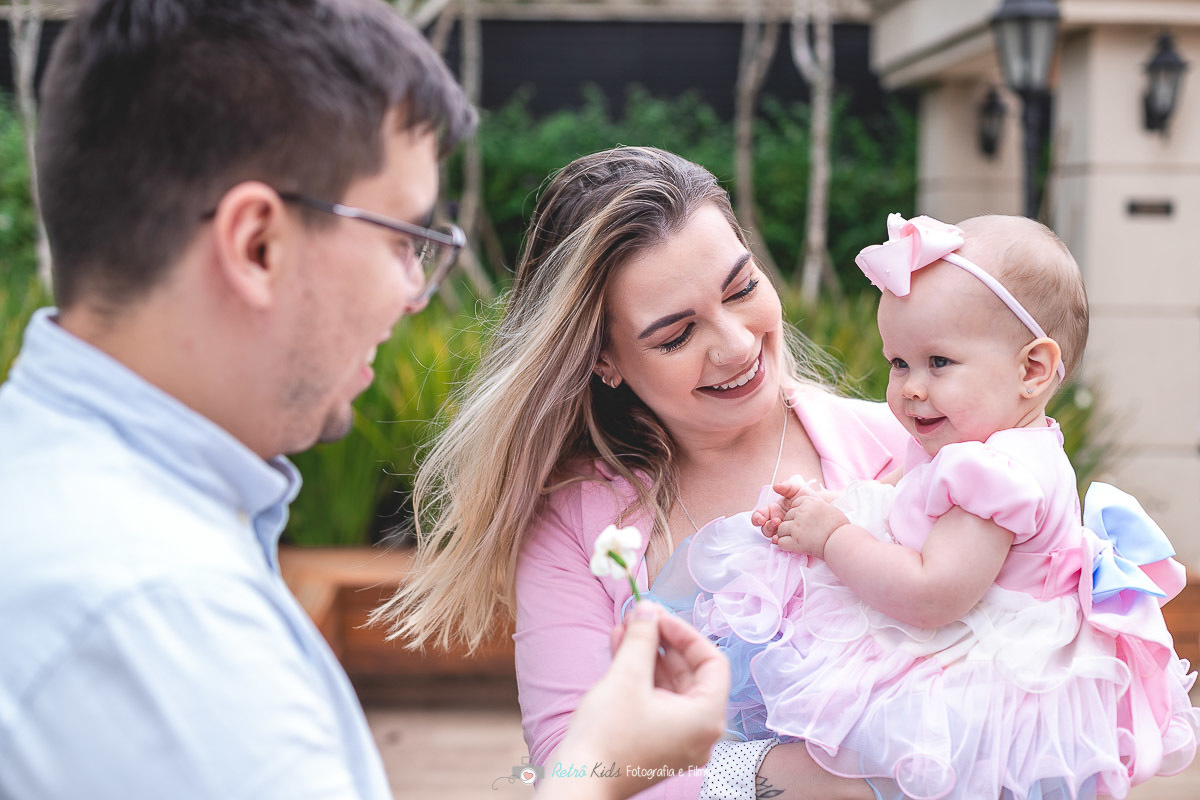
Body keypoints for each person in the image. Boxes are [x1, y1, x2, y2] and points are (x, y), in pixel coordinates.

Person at [0, 2, 728, 799]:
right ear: (257, 246)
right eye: (402, 239)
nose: (416, 292)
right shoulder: (166, 625)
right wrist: (595, 774)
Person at [375, 145, 912, 799]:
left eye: (742, 288)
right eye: (675, 335)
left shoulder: (906, 449)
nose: (738, 344)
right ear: (605, 361)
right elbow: (573, 770)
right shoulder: (574, 521)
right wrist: (788, 778)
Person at [704, 214, 1200, 799]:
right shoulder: (984, 446)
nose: (911, 386)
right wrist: (825, 508)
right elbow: (900, 509)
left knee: (865, 758)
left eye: (939, 362)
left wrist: (832, 536)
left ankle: (710, 779)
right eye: (898, 363)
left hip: (975, 685)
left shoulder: (991, 475)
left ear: (1032, 370)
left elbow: (931, 593)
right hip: (975, 656)